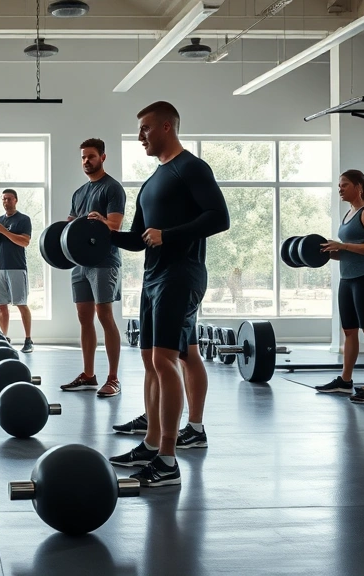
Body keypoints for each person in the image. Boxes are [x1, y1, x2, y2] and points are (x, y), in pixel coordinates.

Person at [107, 101, 230, 487]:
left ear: (166, 127)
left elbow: (219, 217)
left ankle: (168, 460)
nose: (140, 136)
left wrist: (170, 235)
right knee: (149, 360)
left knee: (164, 361)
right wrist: (98, 232)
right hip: (153, 278)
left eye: (144, 128)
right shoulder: (151, 182)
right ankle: (151, 442)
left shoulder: (191, 167)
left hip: (182, 274)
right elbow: (139, 240)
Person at [60, 138, 126, 398]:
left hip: (104, 260)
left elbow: (116, 225)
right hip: (80, 264)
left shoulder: (112, 189)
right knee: (84, 318)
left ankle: (113, 378)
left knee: (104, 316)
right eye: (83, 157)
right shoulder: (79, 192)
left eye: (91, 156)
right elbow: (71, 224)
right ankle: (88, 375)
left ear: (103, 157)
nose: (86, 161)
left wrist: (102, 221)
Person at [317, 170, 364, 402]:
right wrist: (327, 253)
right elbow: (346, 252)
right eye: (339, 185)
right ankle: (345, 381)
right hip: (347, 279)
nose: (340, 189)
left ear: (358, 186)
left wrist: (343, 246)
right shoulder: (348, 214)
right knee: (349, 332)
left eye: (344, 185)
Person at [0, 189, 34, 352]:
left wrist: (4, 231)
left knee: (21, 304)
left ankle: (28, 340)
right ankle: (4, 338)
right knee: (2, 306)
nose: (6, 202)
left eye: (9, 199)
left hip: (17, 268)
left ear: (16, 200)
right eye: (3, 199)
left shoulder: (23, 219)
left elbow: (24, 242)